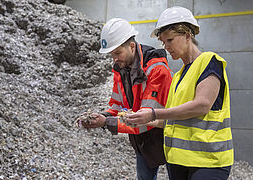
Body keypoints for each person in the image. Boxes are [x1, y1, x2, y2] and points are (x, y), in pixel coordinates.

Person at [127, 6, 234, 180]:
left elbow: (202, 105)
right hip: (178, 160)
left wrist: (153, 113)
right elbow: (171, 120)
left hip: (208, 161)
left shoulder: (209, 62)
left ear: (187, 35)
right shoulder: (177, 76)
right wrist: (141, 118)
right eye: (163, 42)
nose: (166, 47)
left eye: (170, 40)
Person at [76, 18, 173, 179]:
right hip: (142, 140)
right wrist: (102, 116)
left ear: (132, 46)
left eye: (118, 52)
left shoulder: (156, 69)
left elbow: (147, 118)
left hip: (167, 136)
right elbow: (118, 106)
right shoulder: (121, 70)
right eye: (112, 54)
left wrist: (106, 122)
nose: (114, 59)